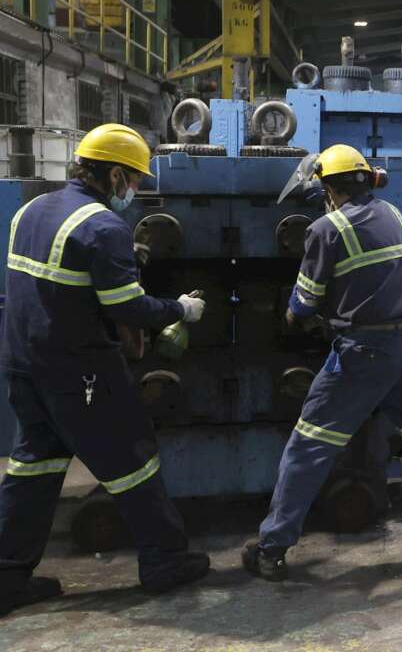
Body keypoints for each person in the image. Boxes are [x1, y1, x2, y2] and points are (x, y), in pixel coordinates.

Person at [243, 144, 402, 581]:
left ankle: (272, 548)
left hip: (361, 356)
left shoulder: (327, 228)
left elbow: (304, 303)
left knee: (309, 446)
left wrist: (290, 318)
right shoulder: (394, 215)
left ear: (327, 186)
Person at [0, 124, 211, 616]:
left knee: (34, 467)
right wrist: (181, 310)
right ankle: (164, 560)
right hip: (78, 371)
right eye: (134, 181)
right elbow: (129, 309)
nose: (134, 191)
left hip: (23, 363)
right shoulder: (103, 227)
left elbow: (60, 285)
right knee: (132, 458)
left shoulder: (30, 209)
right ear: (114, 175)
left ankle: (7, 577)